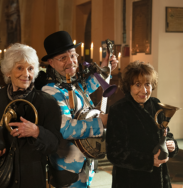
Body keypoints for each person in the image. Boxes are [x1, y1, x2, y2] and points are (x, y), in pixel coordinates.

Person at [0, 43, 61, 188]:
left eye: (30, 69)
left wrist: (37, 132)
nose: (26, 74)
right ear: (8, 71)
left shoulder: (47, 102)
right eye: (20, 68)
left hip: (31, 178)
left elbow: (54, 145)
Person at [41, 31, 118, 188]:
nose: (71, 61)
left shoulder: (71, 84)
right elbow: (66, 129)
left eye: (73, 55)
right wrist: (100, 123)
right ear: (51, 62)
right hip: (68, 169)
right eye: (63, 58)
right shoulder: (50, 92)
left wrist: (105, 69)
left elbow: (83, 90)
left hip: (84, 166)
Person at [106, 61, 178, 188]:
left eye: (147, 85)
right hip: (130, 180)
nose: (144, 90)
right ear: (129, 86)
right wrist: (149, 161)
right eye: (137, 85)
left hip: (160, 178)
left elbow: (167, 133)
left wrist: (172, 144)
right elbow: (114, 153)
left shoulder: (157, 105)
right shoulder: (118, 110)